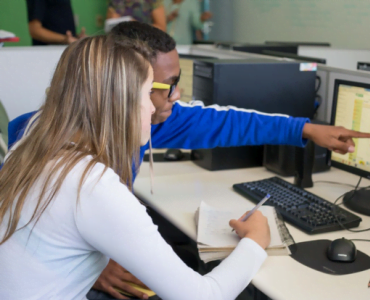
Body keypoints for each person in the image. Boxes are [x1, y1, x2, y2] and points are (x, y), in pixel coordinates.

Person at [7, 22, 370, 299]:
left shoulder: (45, 139)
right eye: (154, 91)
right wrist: (256, 241)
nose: (171, 100)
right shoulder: (90, 181)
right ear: (117, 95)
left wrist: (306, 129)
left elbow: (225, 122)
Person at [0, 35, 271, 300]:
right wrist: (256, 240)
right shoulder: (91, 185)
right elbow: (204, 296)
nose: (153, 110)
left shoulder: (32, 143)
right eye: (146, 93)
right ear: (121, 103)